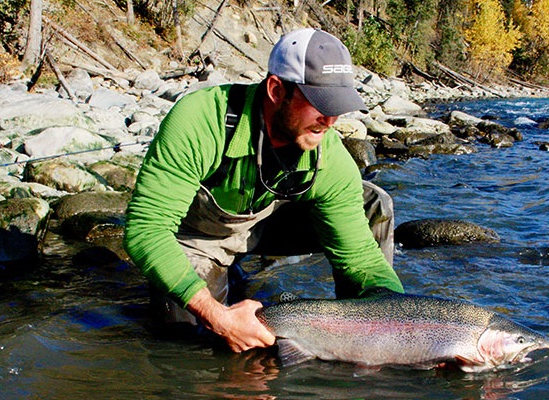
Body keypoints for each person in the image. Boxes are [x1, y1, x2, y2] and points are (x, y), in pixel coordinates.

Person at [124, 28, 404, 353]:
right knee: (193, 344)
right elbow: (146, 230)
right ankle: (223, 280)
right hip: (199, 239)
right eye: (320, 104)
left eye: (338, 105)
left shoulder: (330, 156)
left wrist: (400, 324)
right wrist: (217, 316)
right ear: (275, 90)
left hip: (268, 226)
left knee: (372, 201)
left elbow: (361, 261)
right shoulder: (200, 120)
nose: (330, 120)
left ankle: (359, 335)